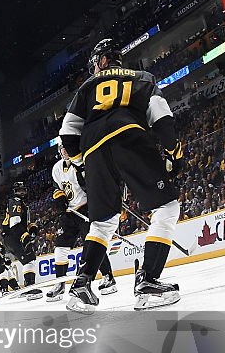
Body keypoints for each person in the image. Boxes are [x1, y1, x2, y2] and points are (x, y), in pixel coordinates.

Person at [59, 38, 184, 313]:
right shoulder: (143, 78)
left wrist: (83, 162)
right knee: (167, 206)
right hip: (130, 137)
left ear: (102, 61)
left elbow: (68, 135)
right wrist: (173, 152)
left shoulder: (86, 88)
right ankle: (149, 281)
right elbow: (163, 119)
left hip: (93, 150)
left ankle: (81, 287)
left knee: (102, 224)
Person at [45, 138, 116, 303]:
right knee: (60, 247)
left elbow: (92, 183)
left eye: (67, 147)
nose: (65, 151)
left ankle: (108, 277)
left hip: (85, 208)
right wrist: (59, 198)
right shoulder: (57, 168)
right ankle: (60, 284)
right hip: (69, 213)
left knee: (93, 243)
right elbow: (57, 188)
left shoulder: (81, 162)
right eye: (62, 148)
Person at [1, 181, 42, 299]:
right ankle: (29, 288)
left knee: (29, 259)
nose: (22, 193)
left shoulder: (21, 203)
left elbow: (24, 223)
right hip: (13, 235)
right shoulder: (16, 201)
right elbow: (14, 223)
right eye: (19, 191)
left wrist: (32, 229)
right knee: (29, 259)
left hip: (10, 237)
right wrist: (24, 235)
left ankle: (29, 287)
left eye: (23, 190)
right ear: (14, 192)